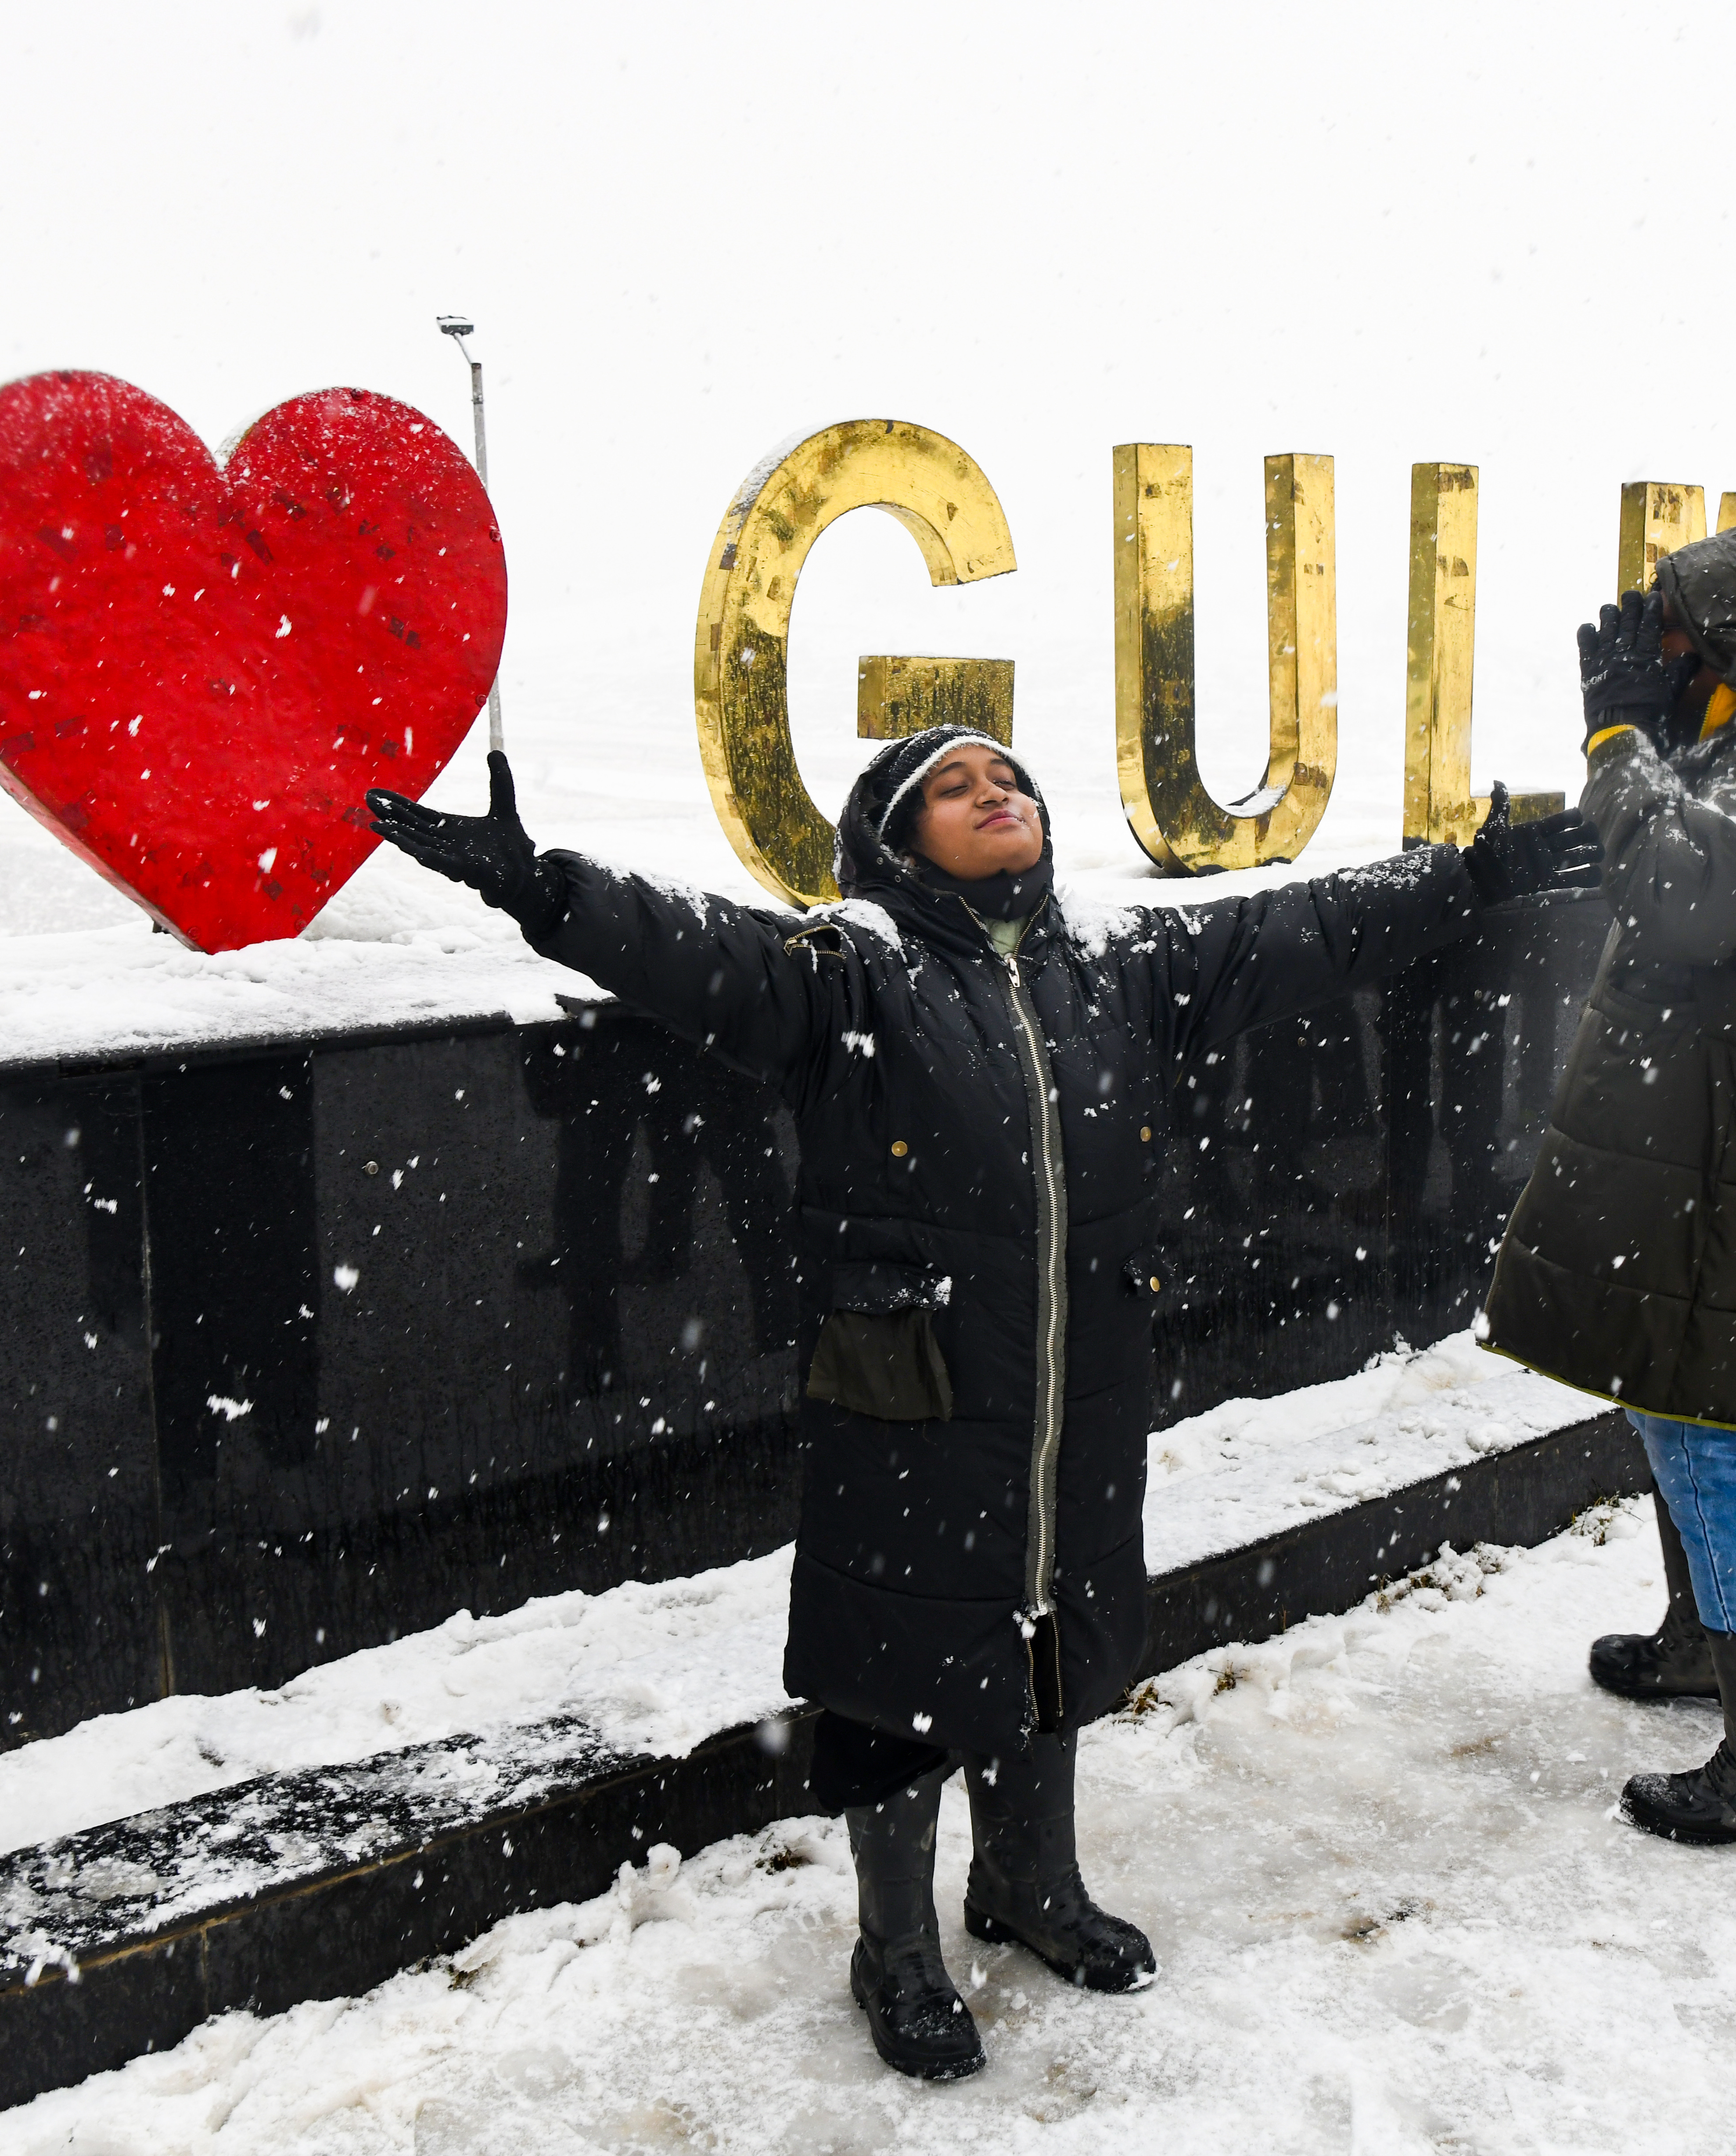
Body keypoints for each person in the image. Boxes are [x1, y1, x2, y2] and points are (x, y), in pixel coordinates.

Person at [366, 728, 1590, 2080]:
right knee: (902, 1662)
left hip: (1078, 1384)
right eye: (952, 787)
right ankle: (892, 1943)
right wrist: (541, 884)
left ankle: (1029, 1885)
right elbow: (690, 947)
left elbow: (1298, 927)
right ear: (896, 843)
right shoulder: (851, 969)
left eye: (1007, 778)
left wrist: (1474, 874)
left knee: (1056, 1626)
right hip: (916, 1392)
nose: (995, 792)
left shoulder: (1115, 960)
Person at [1483, 521, 1736, 1849]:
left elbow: (1672, 892)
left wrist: (1616, 740)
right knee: (1679, 1400)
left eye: (1679, 629)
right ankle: (1704, 1637)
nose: (1658, 653)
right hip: (1724, 1137)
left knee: (1713, 1440)